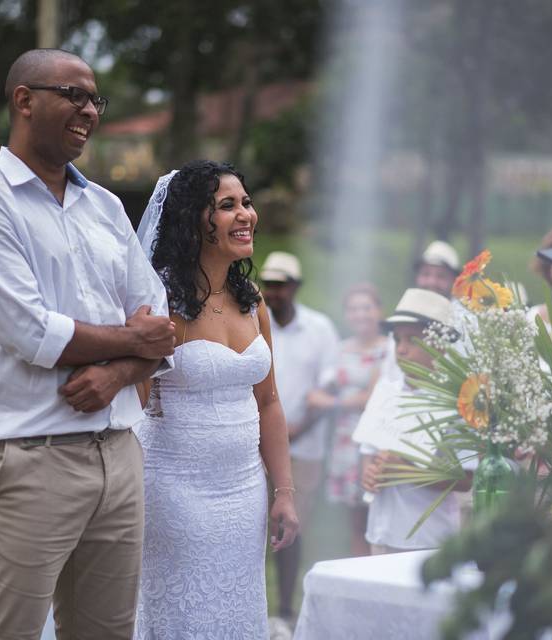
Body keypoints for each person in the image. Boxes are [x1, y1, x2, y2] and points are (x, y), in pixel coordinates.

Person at [0, 48, 175, 639]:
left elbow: (161, 322)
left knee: (106, 634)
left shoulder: (105, 205)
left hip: (119, 454)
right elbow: (33, 332)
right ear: (24, 100)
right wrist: (131, 344)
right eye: (74, 95)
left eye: (96, 99)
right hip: (26, 461)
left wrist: (119, 374)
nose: (90, 110)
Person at [133, 161, 298, 638]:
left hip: (245, 492)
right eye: (227, 205)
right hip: (174, 491)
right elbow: (134, 401)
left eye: (246, 202)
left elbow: (269, 402)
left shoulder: (253, 300)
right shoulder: (160, 301)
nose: (245, 214)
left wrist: (283, 492)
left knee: (236, 609)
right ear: (192, 221)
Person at [358, 289, 474, 554]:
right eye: (398, 339)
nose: (402, 349)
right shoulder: (386, 390)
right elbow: (368, 451)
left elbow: (466, 479)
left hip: (428, 537)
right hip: (381, 529)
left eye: (413, 340)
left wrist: (405, 469)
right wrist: (369, 474)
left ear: (440, 344)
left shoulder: (458, 400)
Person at [259, 250, 339, 623]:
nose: (275, 292)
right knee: (250, 530)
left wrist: (293, 433)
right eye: (269, 285)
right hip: (255, 445)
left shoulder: (320, 329)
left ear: (296, 287)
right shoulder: (254, 322)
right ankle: (256, 608)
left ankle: (286, 611)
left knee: (290, 528)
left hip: (303, 448)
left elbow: (327, 393)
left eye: (281, 285)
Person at [307, 283, 387, 556]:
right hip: (343, 441)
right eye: (353, 309)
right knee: (353, 521)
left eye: (366, 307)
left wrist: (331, 402)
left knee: (372, 518)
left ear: (378, 311)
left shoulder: (388, 350)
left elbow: (371, 397)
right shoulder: (340, 349)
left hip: (372, 441)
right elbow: (320, 387)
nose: (360, 314)